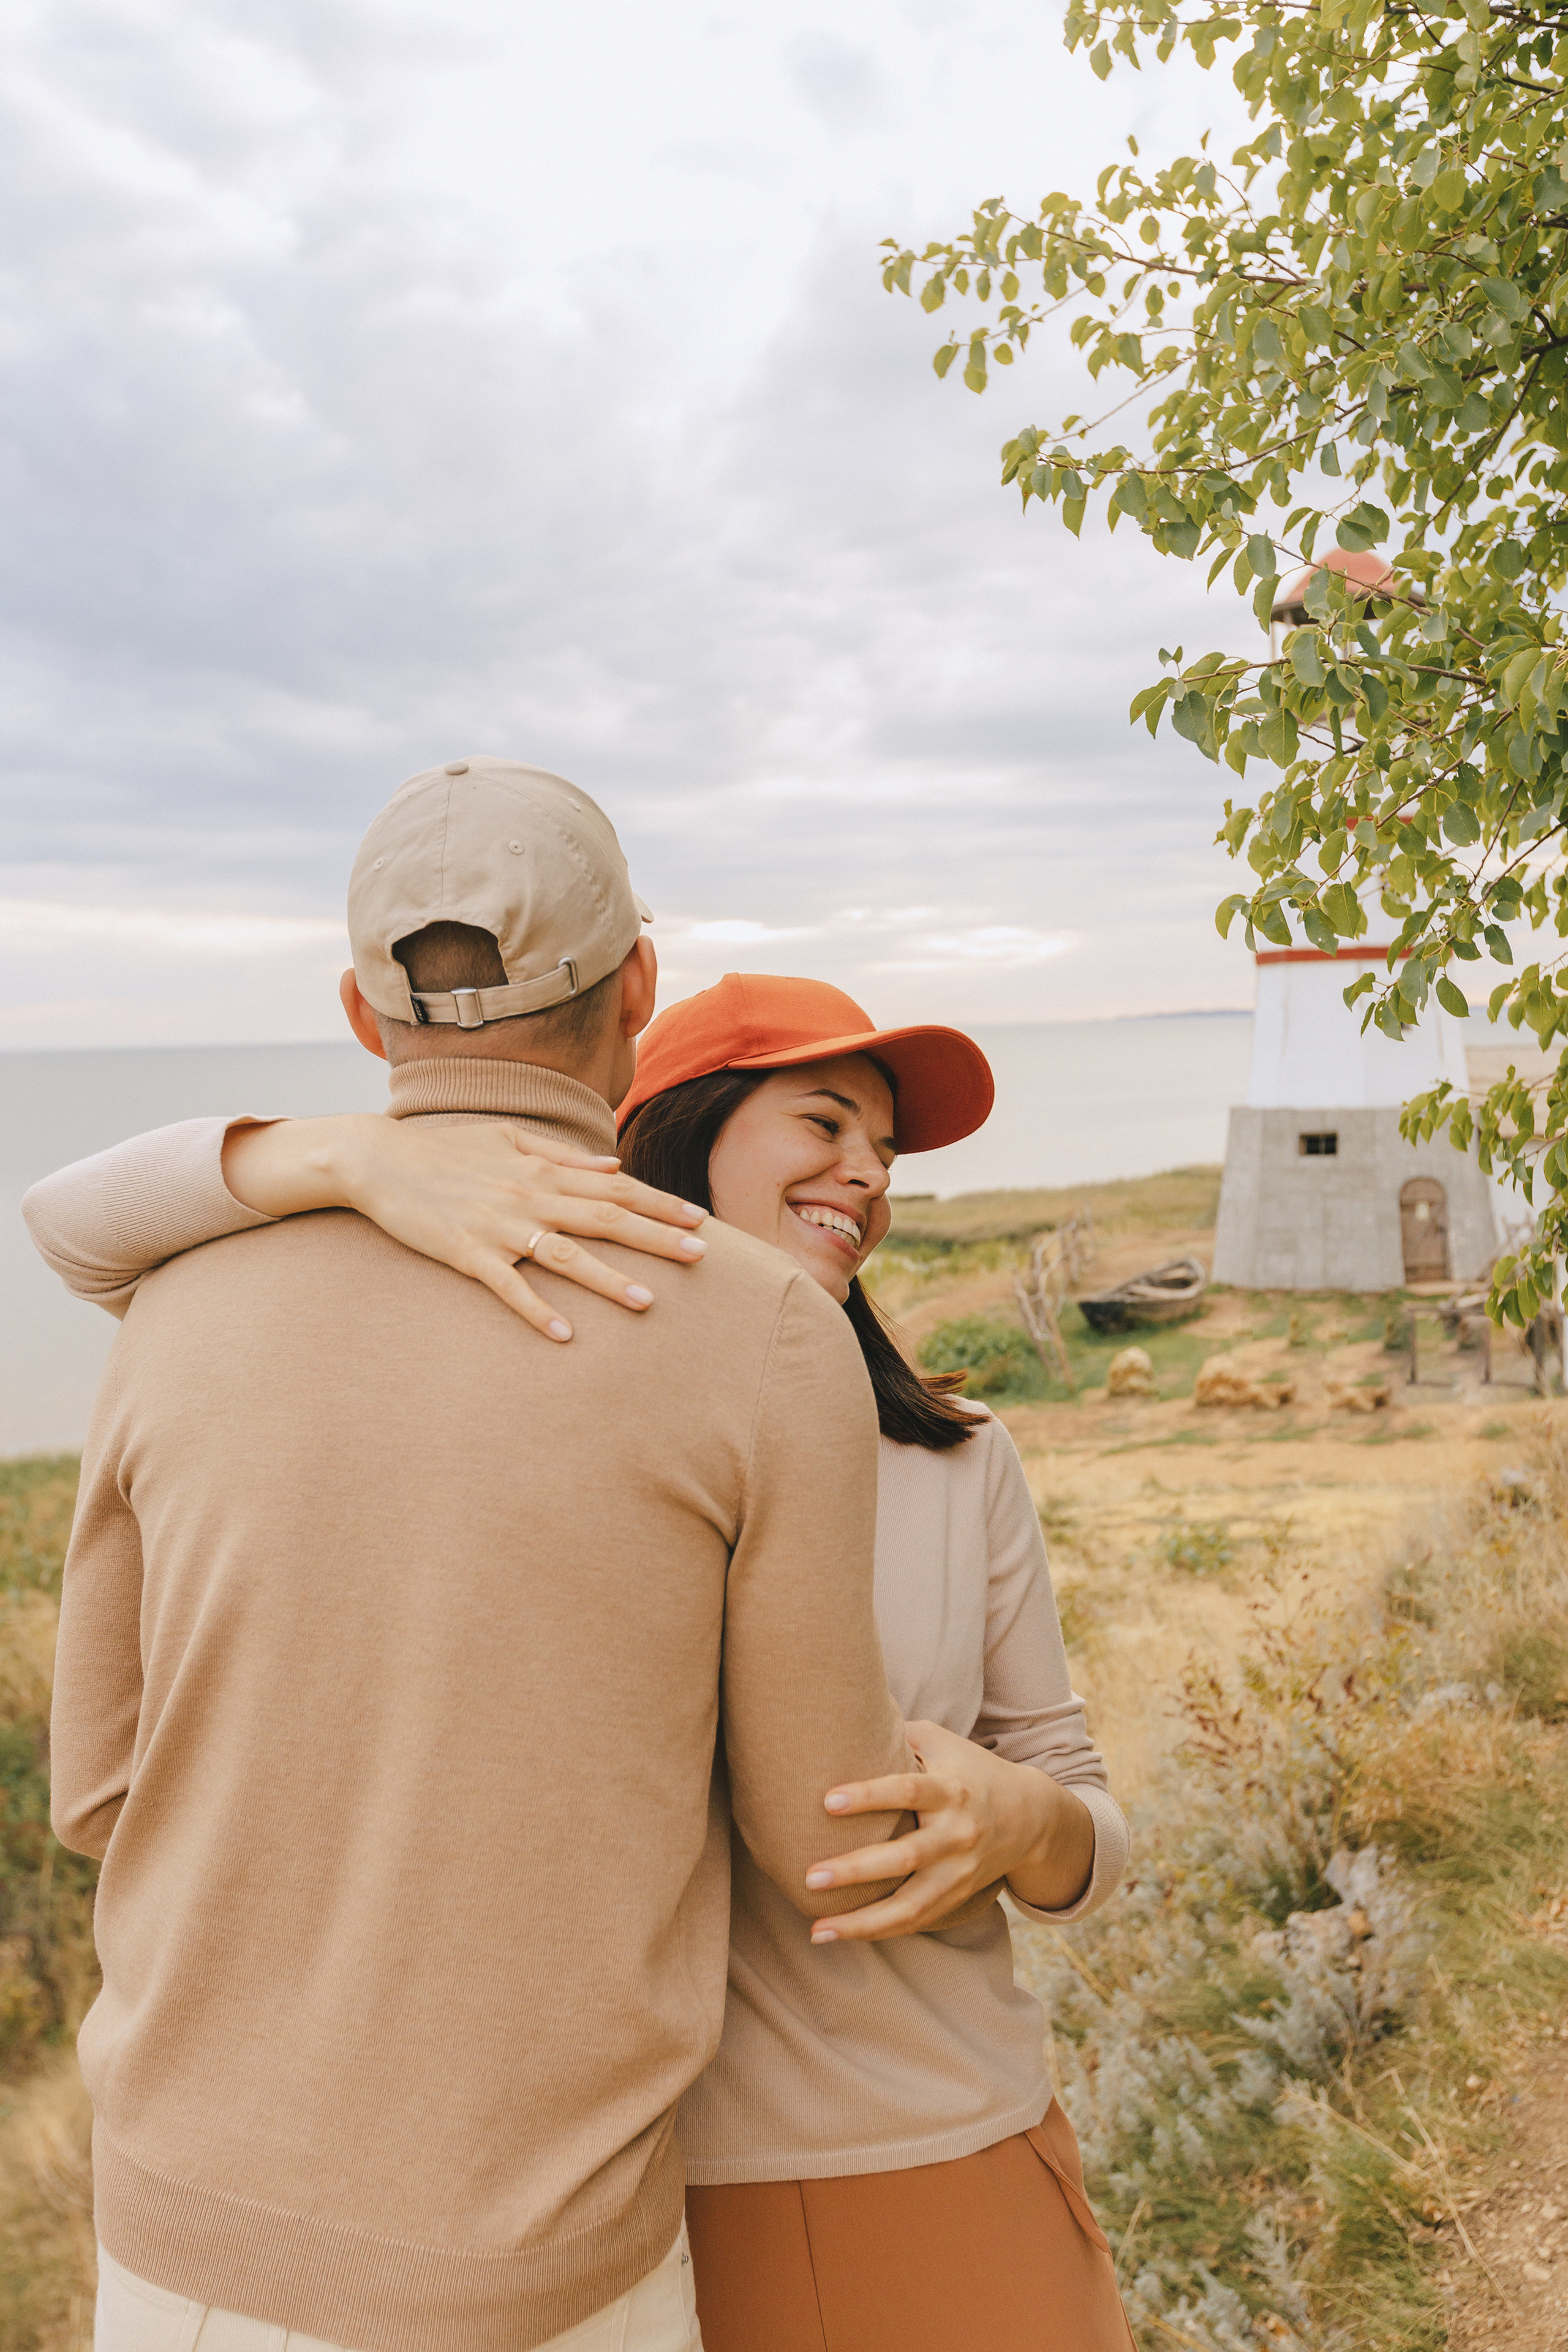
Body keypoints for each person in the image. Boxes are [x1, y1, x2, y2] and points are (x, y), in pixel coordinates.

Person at [29, 952, 1137, 2348]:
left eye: (885, 1146)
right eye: (822, 1122)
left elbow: (1070, 1795)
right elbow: (72, 1222)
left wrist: (1026, 1821)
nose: (867, 1172)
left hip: (917, 2133)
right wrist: (354, 1163)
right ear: (675, 1133)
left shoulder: (960, 1460)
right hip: (608, 2217)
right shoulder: (514, 1422)